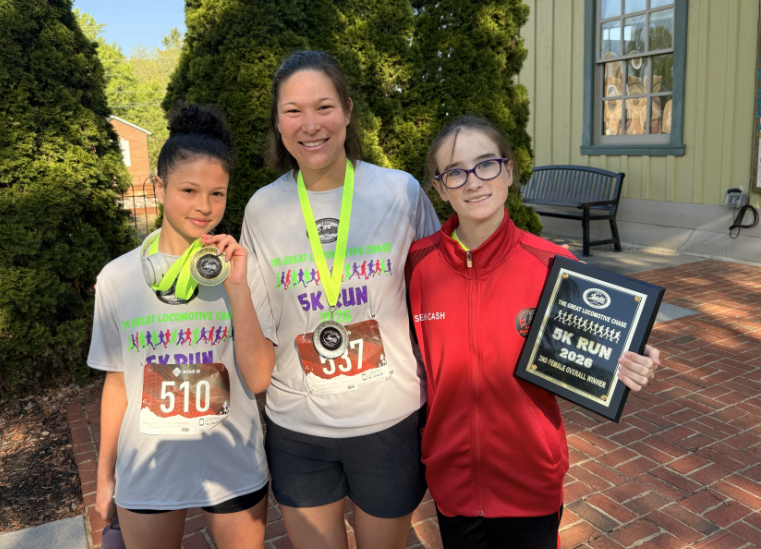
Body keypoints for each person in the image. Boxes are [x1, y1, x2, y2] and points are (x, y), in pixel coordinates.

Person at [405, 115, 661, 549]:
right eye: (455, 172)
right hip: (452, 481)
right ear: (438, 187)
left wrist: (633, 357)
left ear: (508, 171)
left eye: (486, 164)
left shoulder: (553, 266)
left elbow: (606, 336)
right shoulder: (417, 265)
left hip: (530, 483)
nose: (473, 181)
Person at [239, 50, 441, 549]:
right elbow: (260, 327)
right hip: (297, 427)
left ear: (348, 111)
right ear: (279, 123)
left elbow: (442, 293)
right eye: (293, 111)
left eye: (324, 107)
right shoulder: (263, 208)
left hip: (387, 421)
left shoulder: (400, 192)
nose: (311, 124)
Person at [88, 103, 277, 549]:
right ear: (158, 187)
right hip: (148, 467)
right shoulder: (117, 277)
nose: (204, 207)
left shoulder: (242, 271)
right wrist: (104, 474)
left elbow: (260, 376)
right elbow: (118, 384)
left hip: (233, 463)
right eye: (189, 190)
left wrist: (236, 287)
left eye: (218, 193)